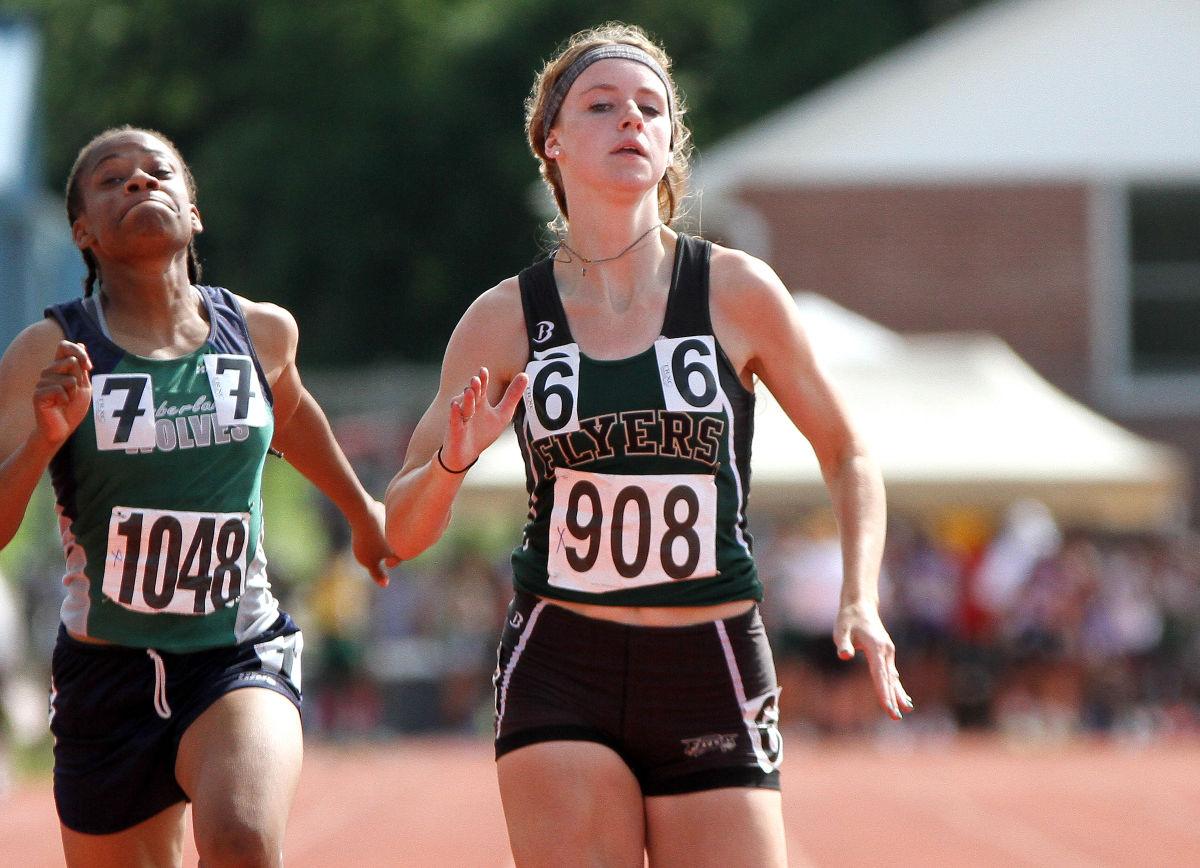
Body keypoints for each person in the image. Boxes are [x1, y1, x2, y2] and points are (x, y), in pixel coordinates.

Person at [384, 23, 913, 866]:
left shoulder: (735, 291)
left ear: (671, 144)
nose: (631, 119)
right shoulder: (504, 319)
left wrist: (859, 595)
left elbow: (848, 453)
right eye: (602, 105)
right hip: (562, 660)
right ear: (552, 142)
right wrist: (453, 459)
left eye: (650, 108)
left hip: (712, 660)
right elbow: (399, 534)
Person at [0, 125, 397, 867]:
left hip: (236, 652)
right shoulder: (45, 355)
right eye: (112, 179)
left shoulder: (260, 332)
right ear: (82, 230)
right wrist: (44, 442)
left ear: (194, 210)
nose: (138, 184)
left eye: (158, 173)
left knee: (241, 839)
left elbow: (295, 411)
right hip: (106, 675)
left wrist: (363, 512)